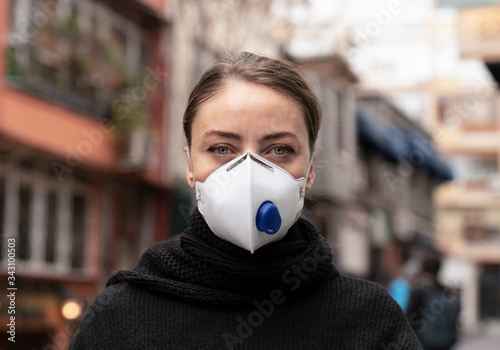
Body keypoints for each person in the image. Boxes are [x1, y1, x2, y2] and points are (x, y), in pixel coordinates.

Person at [70, 52, 422, 349]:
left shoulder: (369, 320)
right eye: (221, 149)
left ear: (310, 171)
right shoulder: (120, 317)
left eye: (279, 149)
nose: (250, 171)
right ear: (190, 167)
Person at [406, 257, 460, 350]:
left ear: (423, 269)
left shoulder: (419, 290)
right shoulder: (444, 290)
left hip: (424, 341)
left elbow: (409, 318)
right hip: (446, 341)